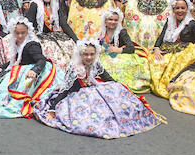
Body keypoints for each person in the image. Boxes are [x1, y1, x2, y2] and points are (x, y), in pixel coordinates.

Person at [35, 39, 164, 139]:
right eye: (85, 54)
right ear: (80, 54)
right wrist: (52, 109)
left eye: (92, 54)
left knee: (113, 101)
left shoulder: (95, 63)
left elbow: (108, 78)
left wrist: (122, 89)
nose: (89, 57)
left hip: (93, 91)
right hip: (76, 96)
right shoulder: (74, 67)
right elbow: (65, 89)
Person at [0, 16, 63, 118]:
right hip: (20, 68)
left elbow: (41, 60)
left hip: (33, 70)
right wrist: (3, 67)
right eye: (17, 33)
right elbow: (16, 60)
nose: (20, 35)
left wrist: (35, 70)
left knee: (8, 89)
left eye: (23, 33)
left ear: (28, 31)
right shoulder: (17, 42)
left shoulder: (32, 44)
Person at [147, 0, 195, 98]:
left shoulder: (192, 23)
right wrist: (157, 48)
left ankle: (173, 83)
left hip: (185, 51)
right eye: (177, 8)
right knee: (154, 61)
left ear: (187, 9)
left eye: (183, 8)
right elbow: (161, 36)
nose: (180, 11)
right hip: (168, 49)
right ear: (173, 9)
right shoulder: (169, 20)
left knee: (176, 64)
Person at [24, 0, 79, 67]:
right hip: (40, 37)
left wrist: (77, 40)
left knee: (71, 49)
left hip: (54, 36)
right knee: (56, 58)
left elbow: (64, 25)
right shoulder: (34, 5)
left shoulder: (55, 5)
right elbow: (28, 25)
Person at [96, 8, 149, 93]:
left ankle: (118, 83)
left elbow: (131, 48)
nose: (113, 22)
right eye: (110, 19)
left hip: (121, 55)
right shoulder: (102, 32)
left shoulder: (122, 32)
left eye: (115, 20)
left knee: (116, 63)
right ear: (105, 20)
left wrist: (117, 50)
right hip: (106, 56)